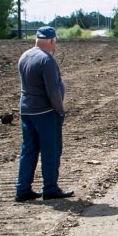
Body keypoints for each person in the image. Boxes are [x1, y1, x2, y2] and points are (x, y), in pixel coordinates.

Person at [14, 26, 74, 201]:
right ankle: (50, 188)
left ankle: (22, 189)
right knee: (51, 151)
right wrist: (60, 110)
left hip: (26, 110)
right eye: (55, 41)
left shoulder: (25, 56)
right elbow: (53, 91)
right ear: (51, 40)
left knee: (29, 150)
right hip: (45, 112)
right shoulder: (46, 60)